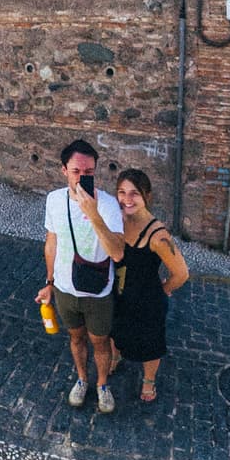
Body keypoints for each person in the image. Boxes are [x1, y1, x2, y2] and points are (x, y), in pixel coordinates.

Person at [44, 138, 124, 412]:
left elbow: (116, 253)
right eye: (76, 171)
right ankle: (82, 379)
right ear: (64, 170)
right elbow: (51, 243)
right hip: (66, 289)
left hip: (98, 290)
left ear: (96, 171)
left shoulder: (109, 205)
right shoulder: (54, 200)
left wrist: (93, 213)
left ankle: (102, 384)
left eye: (89, 172)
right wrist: (49, 283)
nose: (82, 177)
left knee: (100, 342)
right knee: (76, 338)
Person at [111, 167, 189, 406]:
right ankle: (115, 357)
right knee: (116, 331)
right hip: (119, 293)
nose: (126, 199)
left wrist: (163, 290)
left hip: (147, 301)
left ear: (147, 195)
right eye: (121, 192)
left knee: (150, 342)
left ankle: (148, 379)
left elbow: (181, 274)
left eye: (134, 193)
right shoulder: (118, 220)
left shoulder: (158, 236)